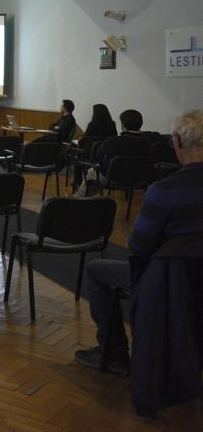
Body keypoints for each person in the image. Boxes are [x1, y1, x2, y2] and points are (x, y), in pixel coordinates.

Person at [75, 109, 203, 380]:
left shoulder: (166, 191)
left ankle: (113, 353)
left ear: (178, 143)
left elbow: (138, 246)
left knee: (97, 271)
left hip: (172, 282)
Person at [94, 109, 154, 178]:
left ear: (123, 124)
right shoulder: (148, 142)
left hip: (114, 178)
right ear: (141, 123)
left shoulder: (113, 140)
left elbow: (98, 155)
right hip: (140, 178)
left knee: (90, 173)